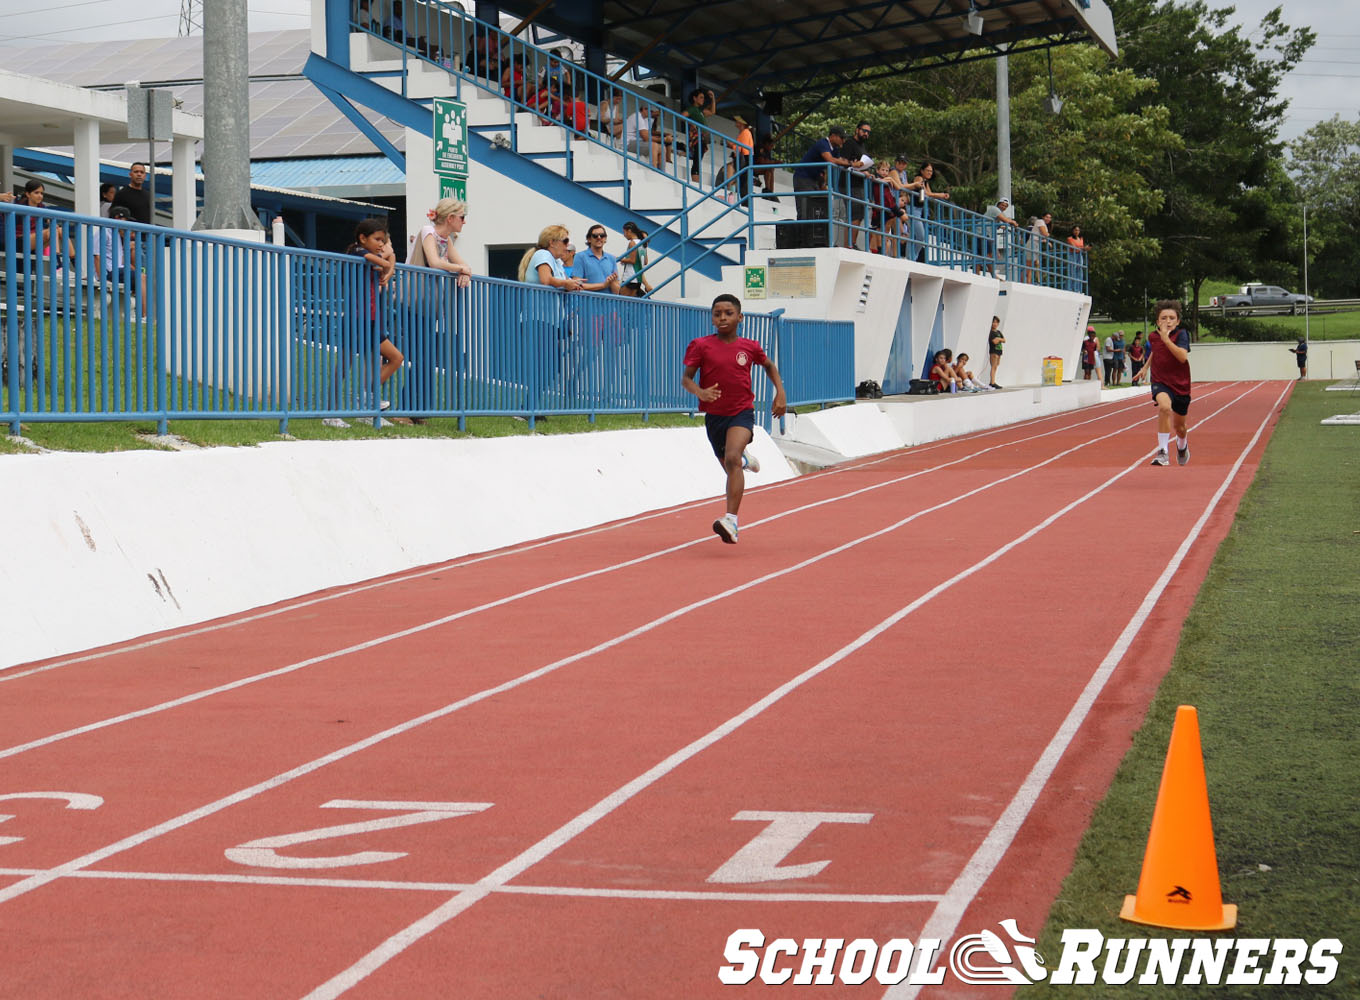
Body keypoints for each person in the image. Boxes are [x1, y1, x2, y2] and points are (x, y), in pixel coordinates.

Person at [682, 293, 786, 544]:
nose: (722, 318)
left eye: (728, 313)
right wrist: (701, 392)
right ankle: (743, 457)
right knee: (731, 466)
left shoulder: (750, 347)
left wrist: (780, 393)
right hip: (714, 417)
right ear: (712, 319)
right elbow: (686, 378)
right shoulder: (701, 345)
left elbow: (769, 366)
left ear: (740, 317)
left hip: (741, 412)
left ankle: (731, 520)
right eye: (717, 314)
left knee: (731, 460)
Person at [347, 218, 403, 410]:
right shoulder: (357, 251)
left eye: (383, 240)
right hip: (357, 317)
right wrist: (386, 266)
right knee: (346, 364)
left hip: (371, 319)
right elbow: (379, 259)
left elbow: (391, 255)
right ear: (362, 238)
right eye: (377, 239)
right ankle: (335, 407)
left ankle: (366, 397)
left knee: (396, 358)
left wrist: (390, 265)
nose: (381, 244)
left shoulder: (371, 255)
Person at [1131, 299, 1193, 467]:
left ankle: (1182, 445)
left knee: (1180, 427)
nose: (1168, 321)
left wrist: (1166, 339)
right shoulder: (1153, 336)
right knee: (1164, 407)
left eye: (1171, 318)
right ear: (1158, 321)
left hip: (1181, 384)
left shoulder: (1181, 335)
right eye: (1164, 318)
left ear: (1178, 321)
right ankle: (1163, 452)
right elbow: (1155, 352)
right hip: (1160, 381)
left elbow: (1182, 357)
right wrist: (1145, 368)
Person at [792, 126, 849, 228]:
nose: (844, 141)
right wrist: (850, 164)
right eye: (842, 137)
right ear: (833, 136)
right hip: (803, 178)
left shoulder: (834, 149)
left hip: (815, 179)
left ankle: (812, 239)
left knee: (816, 209)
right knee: (805, 209)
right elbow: (830, 160)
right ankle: (802, 239)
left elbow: (839, 160)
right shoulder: (823, 143)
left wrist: (850, 163)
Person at [903, 162, 949, 263]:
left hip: (919, 210)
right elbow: (927, 193)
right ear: (922, 171)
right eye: (928, 170)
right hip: (913, 209)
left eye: (931, 171)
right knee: (920, 235)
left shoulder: (925, 181)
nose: (930, 173)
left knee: (914, 235)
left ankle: (911, 257)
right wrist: (940, 195)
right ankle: (912, 258)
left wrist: (941, 195)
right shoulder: (919, 178)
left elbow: (929, 194)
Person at [571, 223, 621, 293]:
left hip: (608, 303)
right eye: (595, 236)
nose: (599, 237)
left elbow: (616, 292)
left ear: (605, 239)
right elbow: (576, 285)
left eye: (602, 235)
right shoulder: (580, 257)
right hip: (587, 303)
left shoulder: (611, 258)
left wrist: (612, 282)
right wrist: (603, 285)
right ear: (589, 239)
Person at [683, 87, 717, 182]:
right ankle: (695, 181)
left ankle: (696, 180)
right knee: (697, 160)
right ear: (695, 98)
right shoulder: (692, 109)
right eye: (701, 97)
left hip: (702, 138)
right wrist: (691, 122)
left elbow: (712, 112)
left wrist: (713, 98)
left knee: (698, 159)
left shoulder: (700, 111)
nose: (703, 99)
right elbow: (682, 116)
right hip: (697, 137)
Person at [983, 196, 1020, 278]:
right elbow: (1006, 220)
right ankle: (993, 275)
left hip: (985, 233)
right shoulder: (995, 209)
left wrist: (1002, 227)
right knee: (990, 255)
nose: (1004, 207)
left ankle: (980, 272)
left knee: (982, 254)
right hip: (984, 233)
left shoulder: (997, 212)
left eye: (1005, 206)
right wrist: (1013, 223)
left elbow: (995, 223)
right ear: (998, 204)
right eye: (1002, 205)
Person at [618, 221, 651, 297]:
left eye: (624, 232)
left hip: (630, 276)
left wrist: (620, 259)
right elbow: (645, 261)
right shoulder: (643, 243)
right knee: (630, 302)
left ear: (629, 231)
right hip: (638, 278)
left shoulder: (632, 243)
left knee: (621, 301)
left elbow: (632, 260)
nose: (624, 235)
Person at [987, 315, 1005, 389]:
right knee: (993, 367)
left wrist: (999, 339)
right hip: (994, 351)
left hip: (999, 351)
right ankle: (992, 382)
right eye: (993, 322)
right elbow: (994, 341)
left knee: (996, 366)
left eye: (996, 322)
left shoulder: (998, 332)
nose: (995, 324)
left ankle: (993, 381)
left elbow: (1004, 340)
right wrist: (998, 339)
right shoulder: (991, 332)